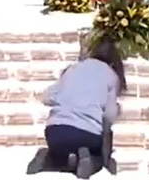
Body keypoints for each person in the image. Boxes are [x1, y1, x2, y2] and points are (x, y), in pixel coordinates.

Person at [31, 40, 122, 176]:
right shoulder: (111, 76)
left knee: (61, 151)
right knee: (99, 151)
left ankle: (50, 158)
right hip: (87, 134)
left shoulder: (73, 68)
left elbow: (47, 97)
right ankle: (89, 161)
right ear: (113, 60)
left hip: (54, 131)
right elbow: (109, 115)